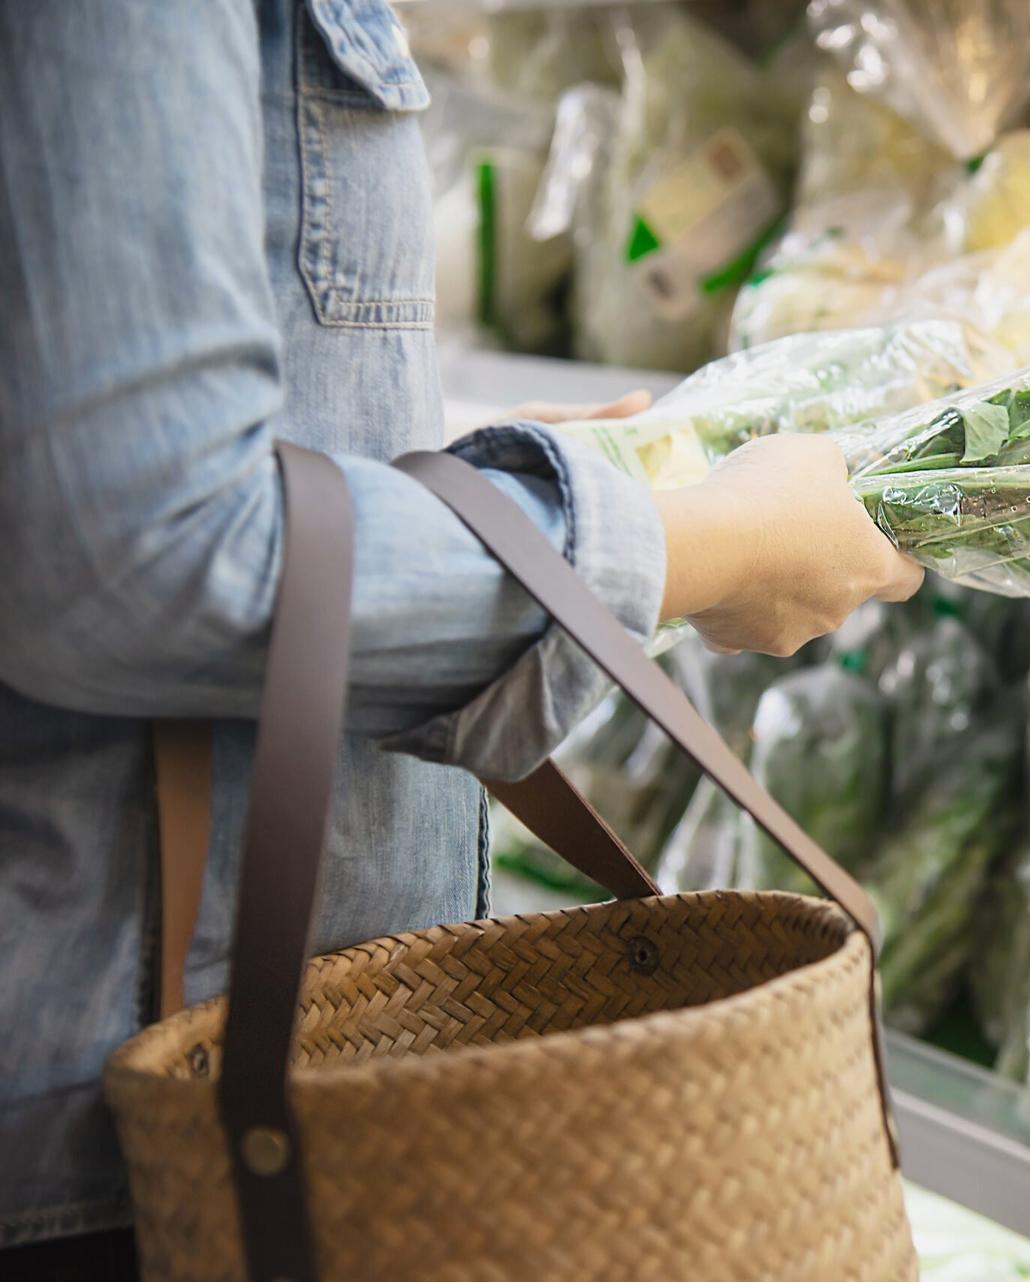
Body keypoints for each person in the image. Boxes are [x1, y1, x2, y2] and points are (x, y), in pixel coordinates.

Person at [0, 1, 922, 1274]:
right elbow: (136, 549)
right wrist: (694, 548)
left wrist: (507, 498)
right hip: (124, 1166)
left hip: (238, 1074)